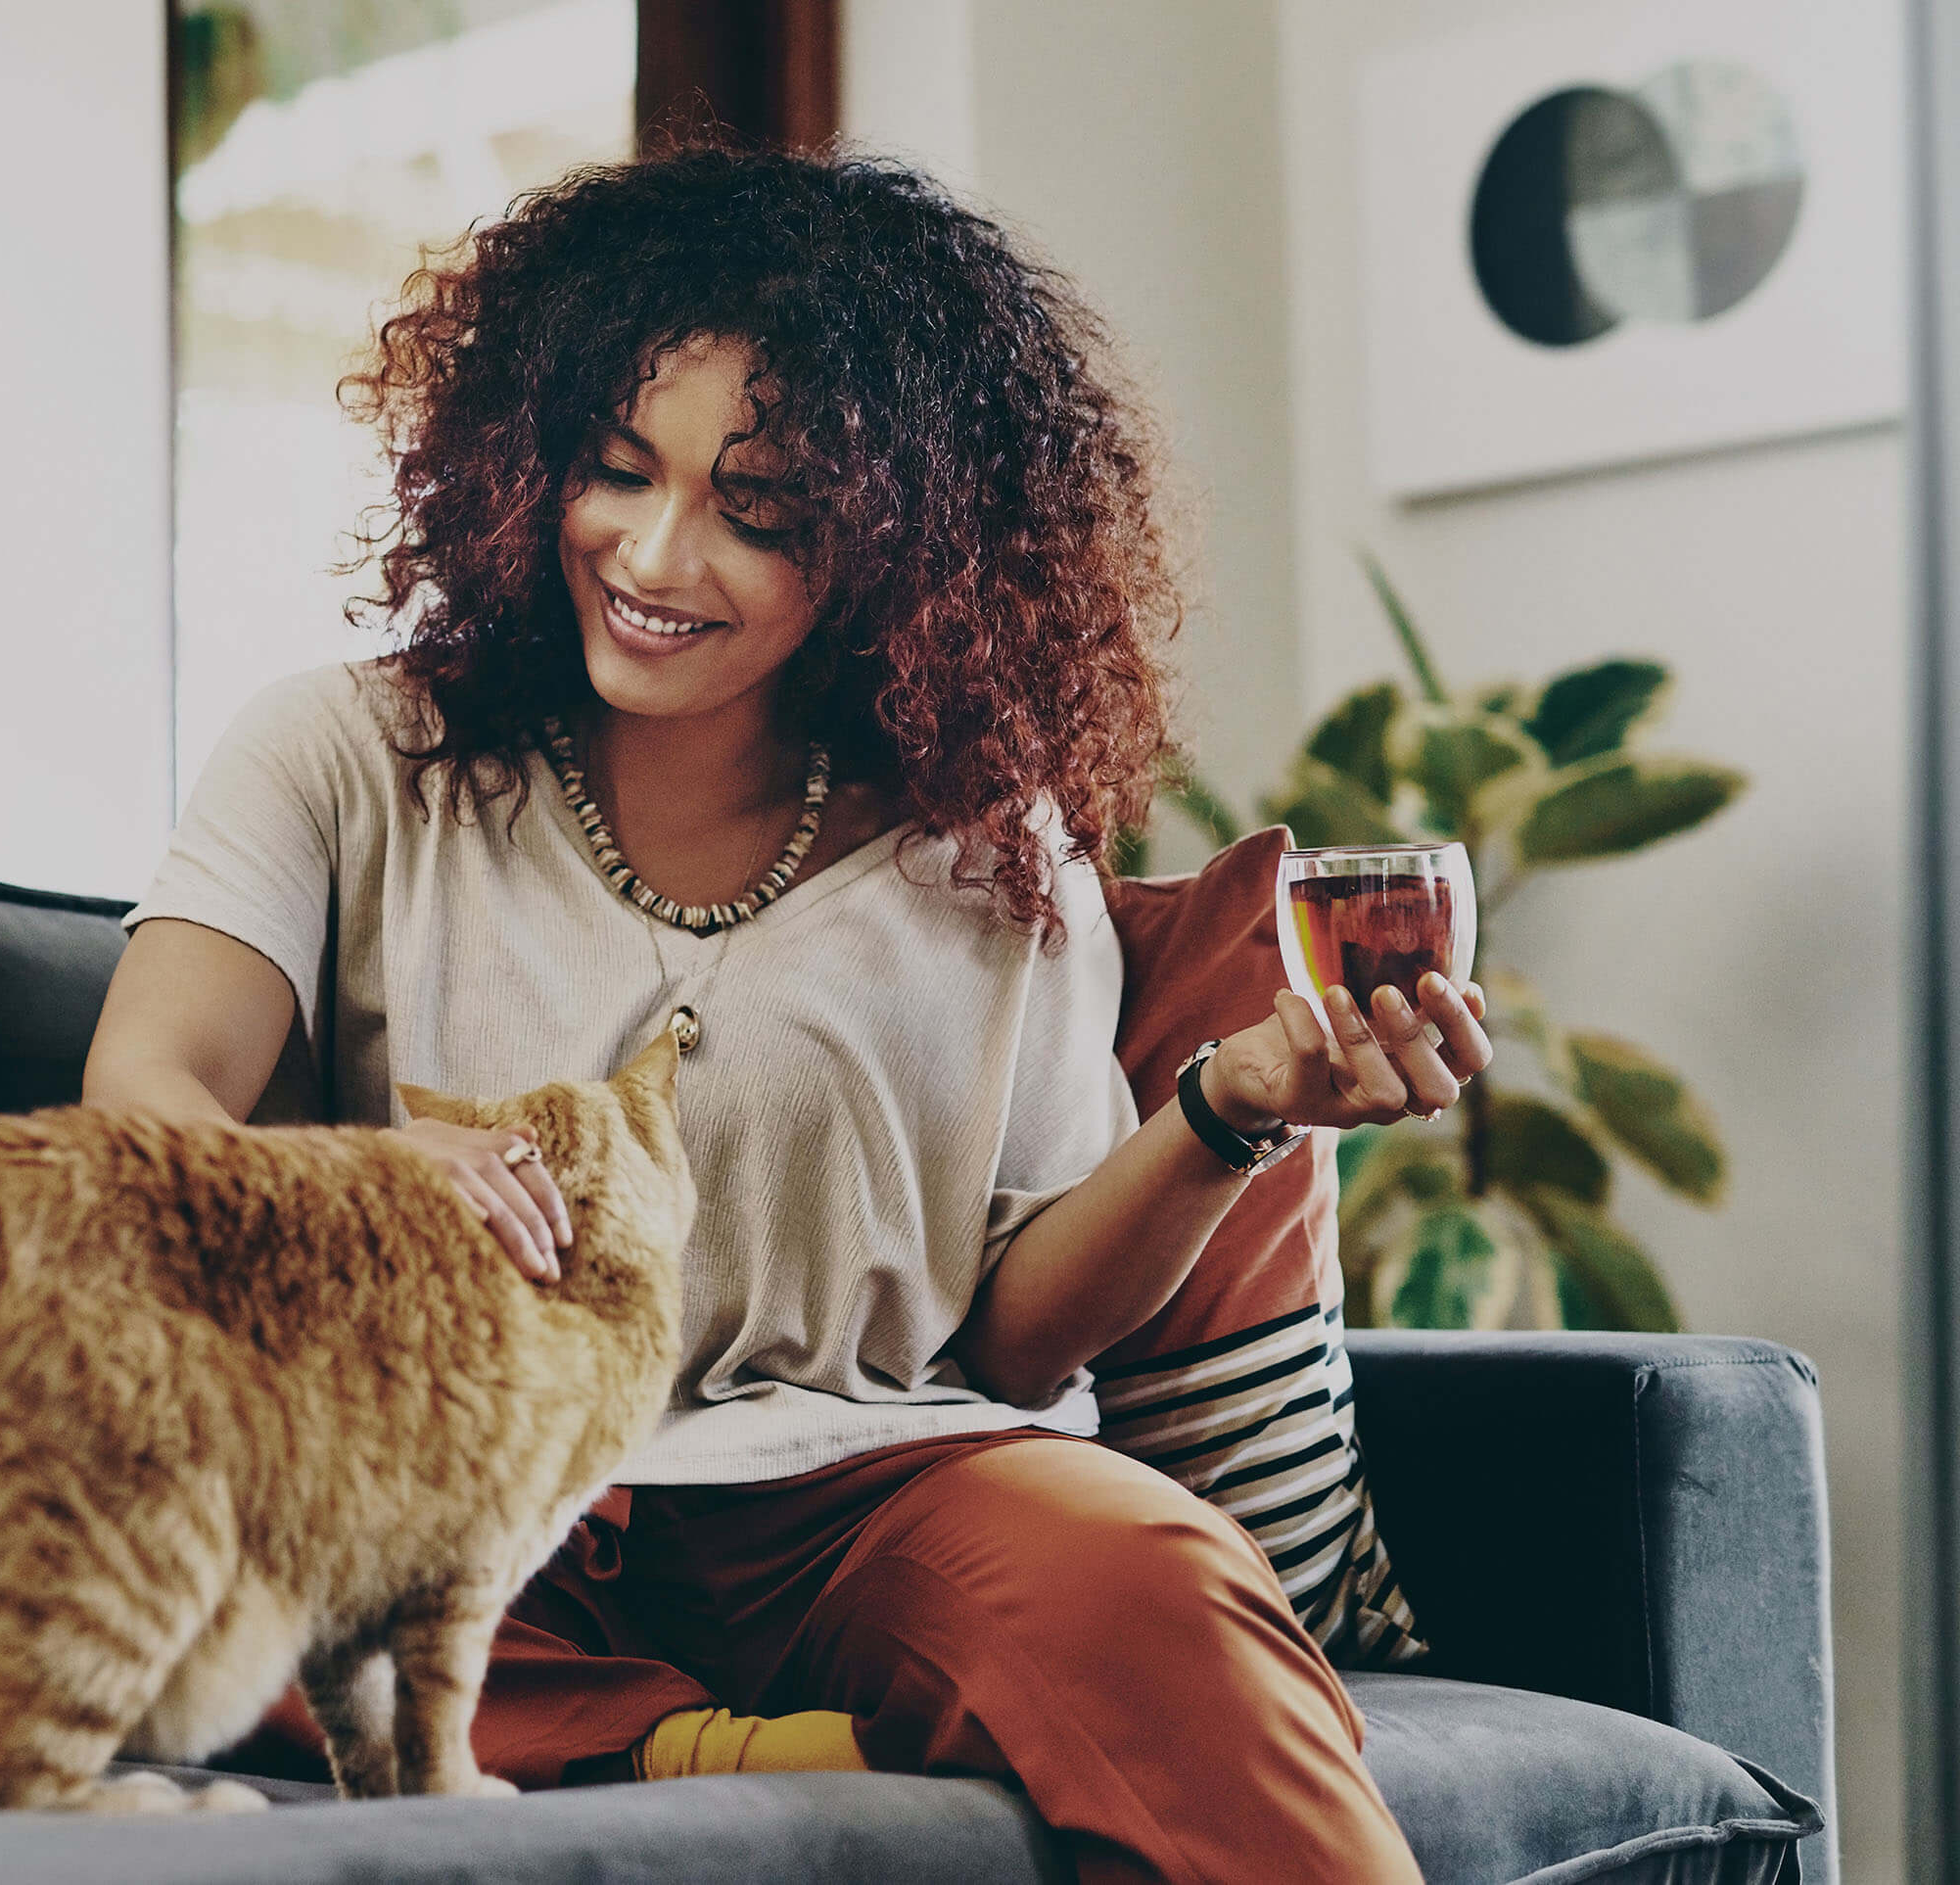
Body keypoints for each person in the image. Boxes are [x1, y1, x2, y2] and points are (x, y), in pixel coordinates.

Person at [83, 144, 1484, 1884]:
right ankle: (692, 1746)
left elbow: (1022, 1339)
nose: (654, 553)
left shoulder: (992, 848)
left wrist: (1226, 1108)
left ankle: (670, 1728)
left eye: (760, 514)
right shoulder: (348, 752)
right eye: (616, 470)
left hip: (868, 1488)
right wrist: (359, 1186)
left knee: (1158, 1575)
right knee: (208, 1562)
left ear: (900, 545)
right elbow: (148, 1090)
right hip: (474, 1474)